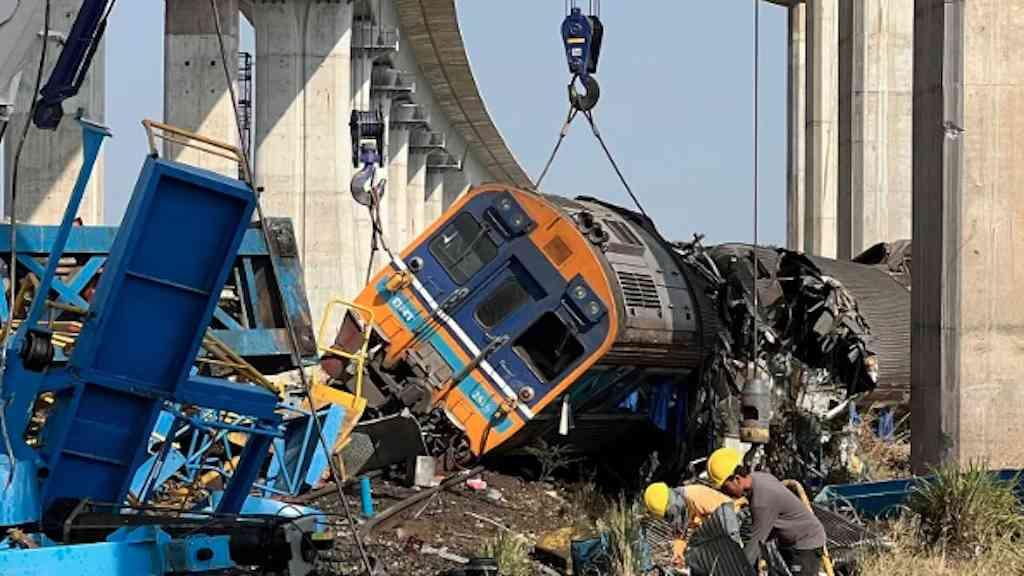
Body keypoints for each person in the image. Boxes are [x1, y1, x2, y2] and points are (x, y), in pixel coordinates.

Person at [707, 447, 827, 575]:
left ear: (737, 479)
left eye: (725, 488)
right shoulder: (758, 478)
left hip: (807, 543)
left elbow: (755, 544)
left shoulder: (762, 500)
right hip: (789, 541)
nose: (725, 493)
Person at [643, 481, 739, 565]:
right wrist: (678, 555)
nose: (670, 518)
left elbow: (730, 514)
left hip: (736, 524)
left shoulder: (698, 495)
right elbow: (680, 534)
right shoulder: (678, 509)